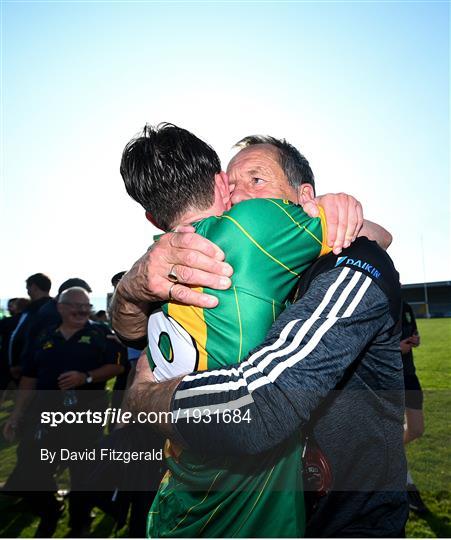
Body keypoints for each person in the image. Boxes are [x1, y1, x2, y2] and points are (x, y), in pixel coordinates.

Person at [113, 132, 407, 537]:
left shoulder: (354, 265)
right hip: (261, 512)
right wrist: (129, 288)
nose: (238, 199)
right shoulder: (201, 259)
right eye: (231, 187)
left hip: (346, 522)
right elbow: (131, 331)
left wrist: (143, 400)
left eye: (256, 181)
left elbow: (259, 405)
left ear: (304, 197)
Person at [2, 287, 125, 537]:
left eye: (86, 306)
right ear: (60, 306)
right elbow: (29, 377)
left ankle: (80, 521)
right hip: (45, 415)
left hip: (84, 419)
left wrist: (86, 377)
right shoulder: (43, 335)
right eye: (75, 305)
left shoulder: (101, 333)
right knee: (32, 468)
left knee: (82, 474)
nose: (81, 310)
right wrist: (16, 415)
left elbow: (118, 366)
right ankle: (50, 507)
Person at [400, 300, 427, 514]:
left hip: (410, 375)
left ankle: (388, 449)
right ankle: (408, 489)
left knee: (417, 429)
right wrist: (395, 348)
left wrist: (415, 340)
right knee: (391, 431)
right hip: (389, 377)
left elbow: (414, 332)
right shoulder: (379, 303)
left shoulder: (406, 307)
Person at [8, 273, 52, 380]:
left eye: (28, 288)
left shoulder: (45, 309)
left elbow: (36, 338)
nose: (27, 291)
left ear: (33, 287)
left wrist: (23, 364)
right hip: (24, 366)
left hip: (32, 369)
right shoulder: (32, 308)